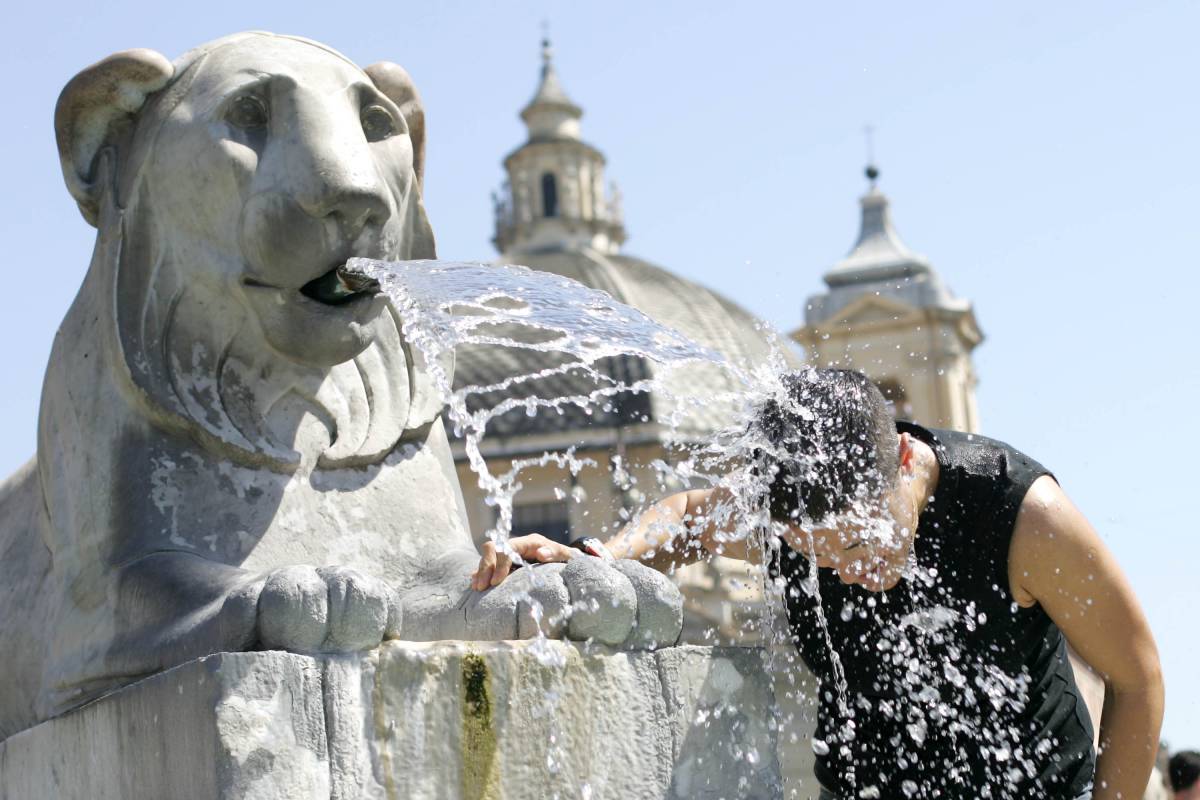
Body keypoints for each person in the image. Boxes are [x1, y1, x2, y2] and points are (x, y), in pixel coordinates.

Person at [471, 368, 1163, 800]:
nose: (852, 571)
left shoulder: (1022, 518)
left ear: (902, 459)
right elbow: (689, 516)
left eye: (862, 541)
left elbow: (1137, 678)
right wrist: (596, 555)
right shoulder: (792, 514)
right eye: (822, 560)